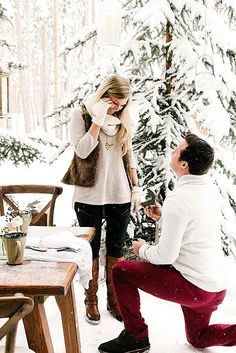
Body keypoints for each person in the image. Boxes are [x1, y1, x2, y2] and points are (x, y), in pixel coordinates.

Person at [98, 133, 236, 353]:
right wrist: (164, 217)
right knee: (198, 338)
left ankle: (136, 336)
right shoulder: (209, 189)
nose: (172, 151)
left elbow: (166, 257)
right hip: (215, 287)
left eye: (177, 150)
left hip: (195, 288)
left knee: (121, 271)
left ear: (183, 164)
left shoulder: (179, 199)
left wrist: (141, 249)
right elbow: (193, 229)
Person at [62, 75, 142, 325]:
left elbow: (129, 155)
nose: (118, 108)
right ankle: (91, 299)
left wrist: (136, 187)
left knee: (116, 249)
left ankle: (114, 299)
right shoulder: (82, 114)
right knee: (92, 249)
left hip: (120, 194)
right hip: (89, 195)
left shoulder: (122, 118)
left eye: (123, 104)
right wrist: (97, 120)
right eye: (115, 102)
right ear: (105, 94)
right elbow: (82, 150)